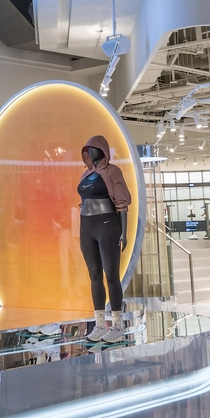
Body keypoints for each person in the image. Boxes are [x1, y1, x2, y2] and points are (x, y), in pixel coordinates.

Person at [77, 134, 132, 343]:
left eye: (94, 147)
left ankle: (117, 325)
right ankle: (99, 324)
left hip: (107, 225)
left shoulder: (113, 171)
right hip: (86, 226)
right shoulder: (85, 175)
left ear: (103, 149)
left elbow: (122, 203)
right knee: (94, 275)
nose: (90, 151)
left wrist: (124, 232)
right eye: (88, 148)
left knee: (111, 275)